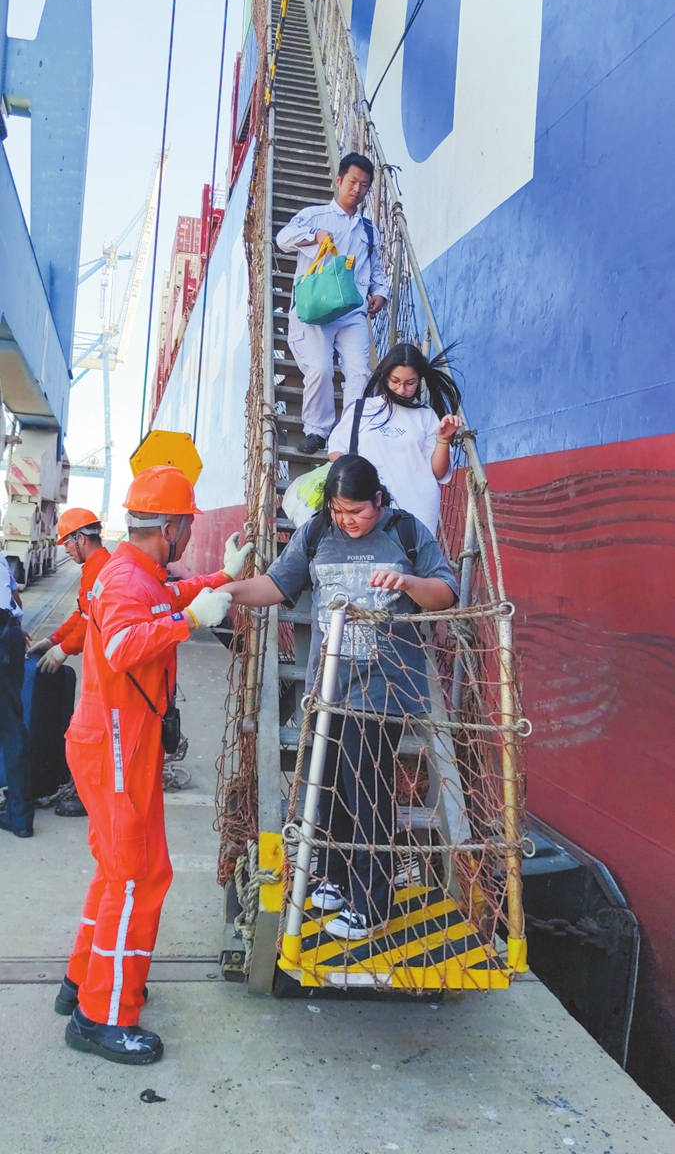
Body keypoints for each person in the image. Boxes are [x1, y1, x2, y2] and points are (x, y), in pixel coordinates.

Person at [57, 465, 252, 1066]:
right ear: (169, 527)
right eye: (188, 525)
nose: (190, 535)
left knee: (122, 870)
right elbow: (121, 645)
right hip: (118, 744)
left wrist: (225, 576)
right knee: (136, 875)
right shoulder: (122, 580)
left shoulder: (134, 572)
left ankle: (83, 982)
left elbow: (171, 595)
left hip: (122, 741)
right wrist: (192, 622)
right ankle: (103, 1015)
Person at [226, 455, 458, 941]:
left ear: (378, 499)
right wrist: (222, 592)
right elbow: (274, 585)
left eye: (357, 511)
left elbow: (446, 593)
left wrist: (409, 583)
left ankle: (372, 903)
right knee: (324, 787)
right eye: (339, 511)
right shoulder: (316, 533)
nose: (348, 521)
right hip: (328, 691)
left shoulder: (407, 532)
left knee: (368, 798)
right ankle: (334, 875)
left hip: (381, 692)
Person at [277, 152, 389, 455]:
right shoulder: (314, 216)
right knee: (321, 368)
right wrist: (313, 237)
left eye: (364, 185)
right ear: (339, 181)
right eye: (352, 182)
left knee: (359, 373)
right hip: (316, 308)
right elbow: (282, 238)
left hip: (352, 311)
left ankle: (348, 436)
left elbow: (376, 270)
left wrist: (381, 292)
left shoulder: (370, 230)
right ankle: (317, 430)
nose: (357, 189)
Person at [328, 342, 464, 535]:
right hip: (368, 509)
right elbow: (335, 450)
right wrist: (357, 479)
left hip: (417, 510)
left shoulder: (426, 416)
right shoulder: (362, 409)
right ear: (385, 376)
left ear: (419, 381)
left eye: (410, 383)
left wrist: (443, 439)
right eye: (395, 381)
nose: (401, 389)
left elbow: (438, 472)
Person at [27, 508, 111, 818]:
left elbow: (92, 621)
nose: (64, 548)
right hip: (100, 663)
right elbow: (81, 613)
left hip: (106, 667)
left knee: (91, 734)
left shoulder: (100, 569)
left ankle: (88, 794)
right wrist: (53, 640)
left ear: (81, 538)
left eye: (67, 542)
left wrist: (65, 649)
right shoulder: (96, 567)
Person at [0, 550, 32, 838]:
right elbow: (15, 599)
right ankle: (21, 816)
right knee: (11, 727)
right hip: (8, 635)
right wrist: (15, 629)